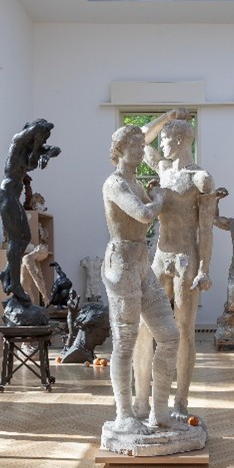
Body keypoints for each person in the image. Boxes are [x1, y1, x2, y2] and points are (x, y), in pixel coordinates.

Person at [132, 109, 227, 421]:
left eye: (166, 138)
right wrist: (166, 116)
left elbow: (206, 230)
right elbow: (139, 139)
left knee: (184, 329)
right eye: (162, 138)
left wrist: (205, 270)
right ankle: (142, 400)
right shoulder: (162, 169)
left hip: (187, 258)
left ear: (180, 139)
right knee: (145, 326)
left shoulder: (200, 178)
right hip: (161, 255)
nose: (161, 143)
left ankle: (180, 402)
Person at [102, 125, 180, 433]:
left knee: (169, 335)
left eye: (140, 145)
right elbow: (145, 215)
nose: (139, 150)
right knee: (125, 342)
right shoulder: (115, 183)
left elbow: (146, 215)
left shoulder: (135, 183)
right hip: (121, 263)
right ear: (119, 150)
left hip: (141, 262)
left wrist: (154, 195)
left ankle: (159, 412)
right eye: (133, 145)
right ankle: (124, 415)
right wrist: (159, 197)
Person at [0, 119, 61, 325]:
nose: (43, 142)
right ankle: (13, 282)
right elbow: (35, 130)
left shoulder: (33, 150)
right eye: (42, 138)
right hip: (6, 195)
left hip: (13, 197)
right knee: (17, 239)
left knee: (24, 238)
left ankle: (7, 273)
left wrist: (46, 154)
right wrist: (40, 135)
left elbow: (56, 149)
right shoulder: (18, 143)